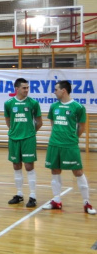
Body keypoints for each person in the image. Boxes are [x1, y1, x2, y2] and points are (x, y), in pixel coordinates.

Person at [43, 80, 96, 214]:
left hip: (70, 145)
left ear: (63, 90)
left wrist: (71, 139)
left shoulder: (78, 107)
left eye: (56, 89)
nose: (54, 92)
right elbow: (53, 124)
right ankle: (56, 201)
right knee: (55, 171)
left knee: (78, 172)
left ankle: (87, 203)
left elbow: (82, 127)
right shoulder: (54, 106)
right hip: (54, 144)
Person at [4, 78, 42, 208]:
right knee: (16, 166)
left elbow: (39, 122)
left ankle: (33, 196)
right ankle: (19, 194)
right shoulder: (8, 103)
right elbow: (8, 121)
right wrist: (15, 131)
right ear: (17, 89)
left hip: (28, 139)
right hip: (14, 139)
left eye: (27, 88)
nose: (27, 90)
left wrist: (30, 132)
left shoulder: (33, 103)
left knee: (29, 166)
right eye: (24, 88)